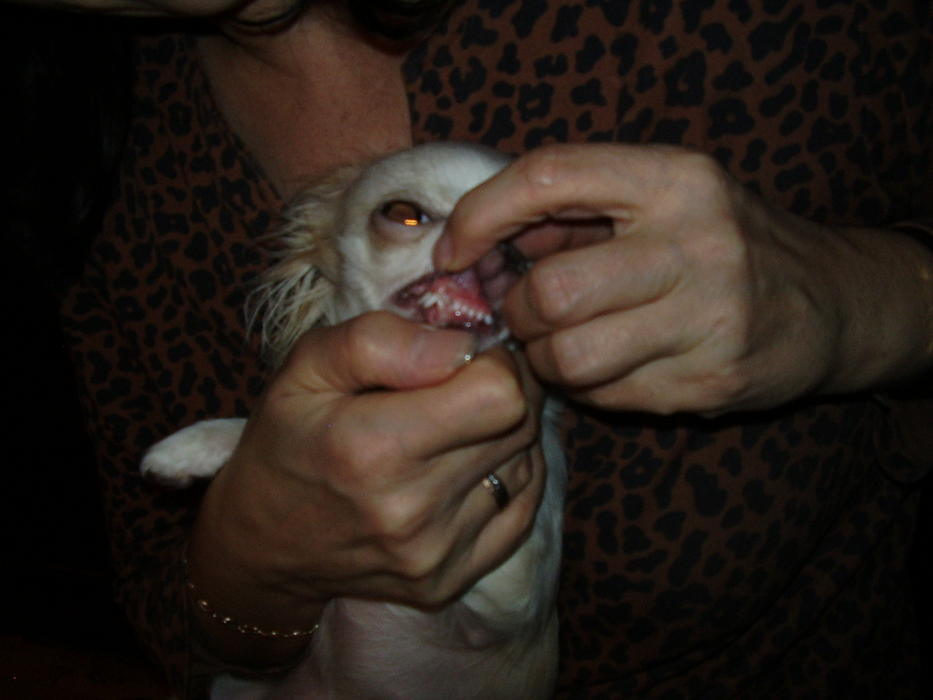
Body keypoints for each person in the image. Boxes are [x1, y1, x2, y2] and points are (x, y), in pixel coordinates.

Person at [19, 0, 933, 696]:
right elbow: (157, 609)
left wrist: (864, 303)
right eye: (405, 217)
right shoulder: (80, 149)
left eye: (508, 246)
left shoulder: (750, 25)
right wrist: (245, 576)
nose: (464, 256)